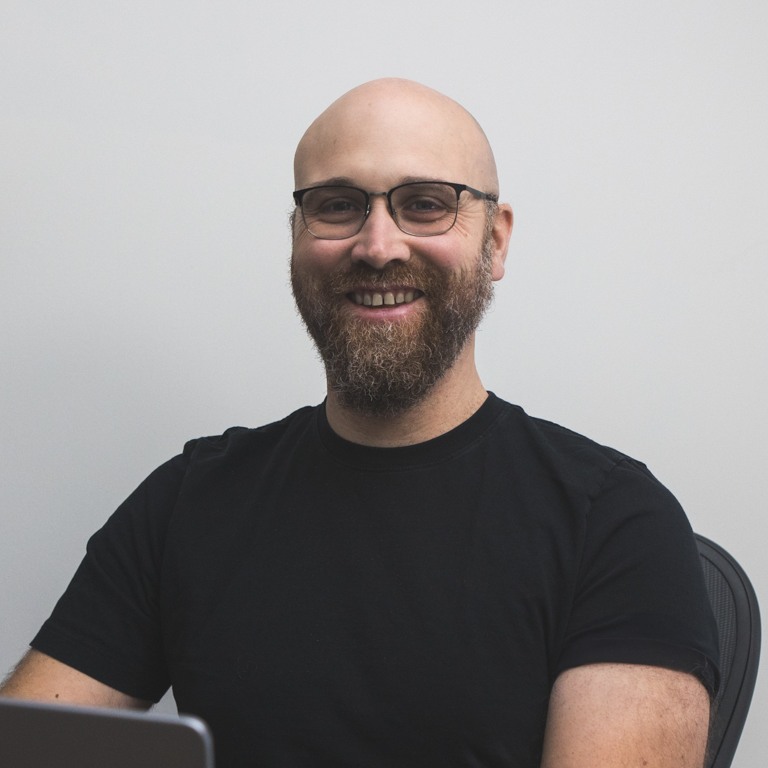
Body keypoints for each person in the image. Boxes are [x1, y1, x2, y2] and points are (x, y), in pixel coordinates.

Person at [1, 78, 719, 767]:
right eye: (338, 205)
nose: (377, 246)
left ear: (495, 242)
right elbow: (27, 746)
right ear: (296, 236)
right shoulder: (188, 501)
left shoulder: (615, 523)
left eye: (427, 204)